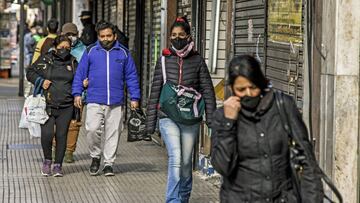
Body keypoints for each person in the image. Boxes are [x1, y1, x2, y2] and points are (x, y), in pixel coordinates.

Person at [210, 55, 324, 202]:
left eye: (253, 87)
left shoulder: (283, 106)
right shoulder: (222, 117)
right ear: (232, 88)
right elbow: (222, 166)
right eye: (241, 89)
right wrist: (229, 123)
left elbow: (307, 161)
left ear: (261, 83)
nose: (248, 94)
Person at [145, 16, 216, 203]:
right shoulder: (163, 60)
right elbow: (155, 90)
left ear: (188, 36)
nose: (177, 39)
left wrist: (211, 118)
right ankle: (172, 200)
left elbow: (208, 90)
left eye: (181, 35)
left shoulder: (198, 61)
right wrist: (150, 124)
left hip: (190, 117)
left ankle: (184, 196)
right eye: (174, 35)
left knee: (185, 163)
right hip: (167, 116)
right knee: (175, 158)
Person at [72, 21, 141, 176]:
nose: (105, 39)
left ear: (114, 36)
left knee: (113, 132)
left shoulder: (123, 53)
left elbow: (131, 77)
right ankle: (95, 156)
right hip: (94, 99)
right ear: (98, 36)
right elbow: (80, 74)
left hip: (116, 101)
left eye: (108, 36)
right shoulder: (90, 51)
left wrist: (135, 97)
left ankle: (109, 163)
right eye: (102, 36)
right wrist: (77, 93)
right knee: (91, 129)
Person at [26, 35, 78, 177]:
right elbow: (30, 72)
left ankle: (58, 165)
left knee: (61, 135)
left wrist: (81, 87)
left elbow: (78, 78)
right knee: (47, 135)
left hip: (66, 106)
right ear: (55, 47)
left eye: (67, 48)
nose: (64, 50)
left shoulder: (73, 62)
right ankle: (47, 160)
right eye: (61, 47)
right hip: (47, 105)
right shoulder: (46, 59)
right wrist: (40, 81)